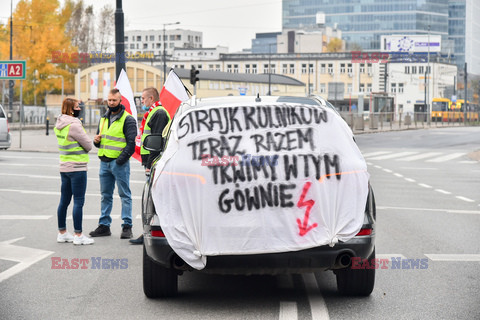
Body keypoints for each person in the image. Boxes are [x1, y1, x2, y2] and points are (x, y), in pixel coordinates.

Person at [89, 88, 137, 239]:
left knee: (125, 195)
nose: (111, 103)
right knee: (105, 195)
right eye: (109, 100)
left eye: (114, 100)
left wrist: (120, 160)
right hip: (104, 162)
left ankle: (127, 226)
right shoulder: (103, 118)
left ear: (120, 101)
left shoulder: (128, 119)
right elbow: (100, 141)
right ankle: (104, 226)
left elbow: (131, 144)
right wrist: (96, 142)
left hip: (119, 163)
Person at [130, 87, 170, 245]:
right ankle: (148, 231)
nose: (142, 102)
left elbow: (156, 141)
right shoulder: (154, 112)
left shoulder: (158, 113)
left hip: (154, 163)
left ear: (152, 98)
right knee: (151, 200)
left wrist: (150, 164)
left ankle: (150, 232)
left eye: (144, 99)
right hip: (150, 162)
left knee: (153, 201)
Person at [54, 98, 94, 245]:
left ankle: (62, 232)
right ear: (71, 110)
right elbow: (89, 145)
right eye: (77, 106)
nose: (80, 108)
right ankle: (78, 235)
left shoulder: (59, 125)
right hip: (77, 168)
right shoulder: (74, 125)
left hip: (64, 167)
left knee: (64, 201)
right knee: (78, 201)